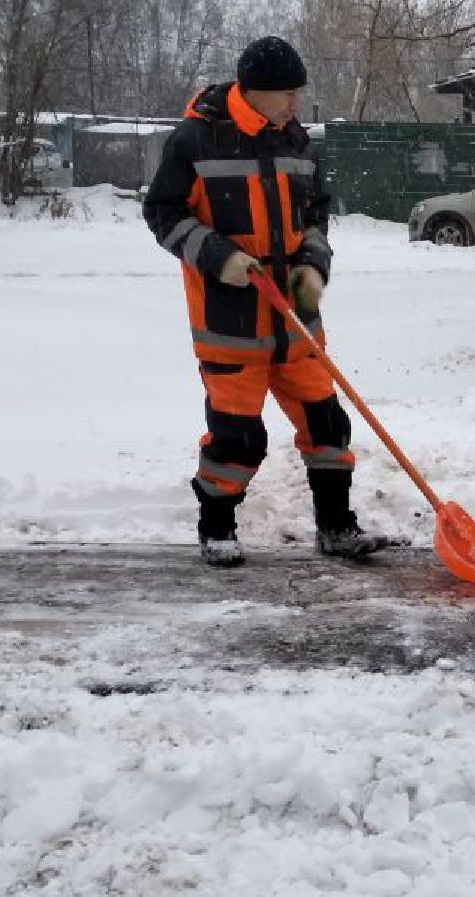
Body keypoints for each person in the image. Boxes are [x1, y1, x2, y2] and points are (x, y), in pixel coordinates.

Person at [142, 36, 387, 567]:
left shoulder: (295, 142)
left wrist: (312, 267)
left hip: (296, 322)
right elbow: (163, 214)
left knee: (327, 425)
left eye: (298, 93)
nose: (296, 104)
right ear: (253, 91)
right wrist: (220, 257)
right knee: (237, 437)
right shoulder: (197, 139)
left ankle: (336, 527)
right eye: (287, 94)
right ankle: (217, 528)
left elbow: (315, 216)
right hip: (230, 323)